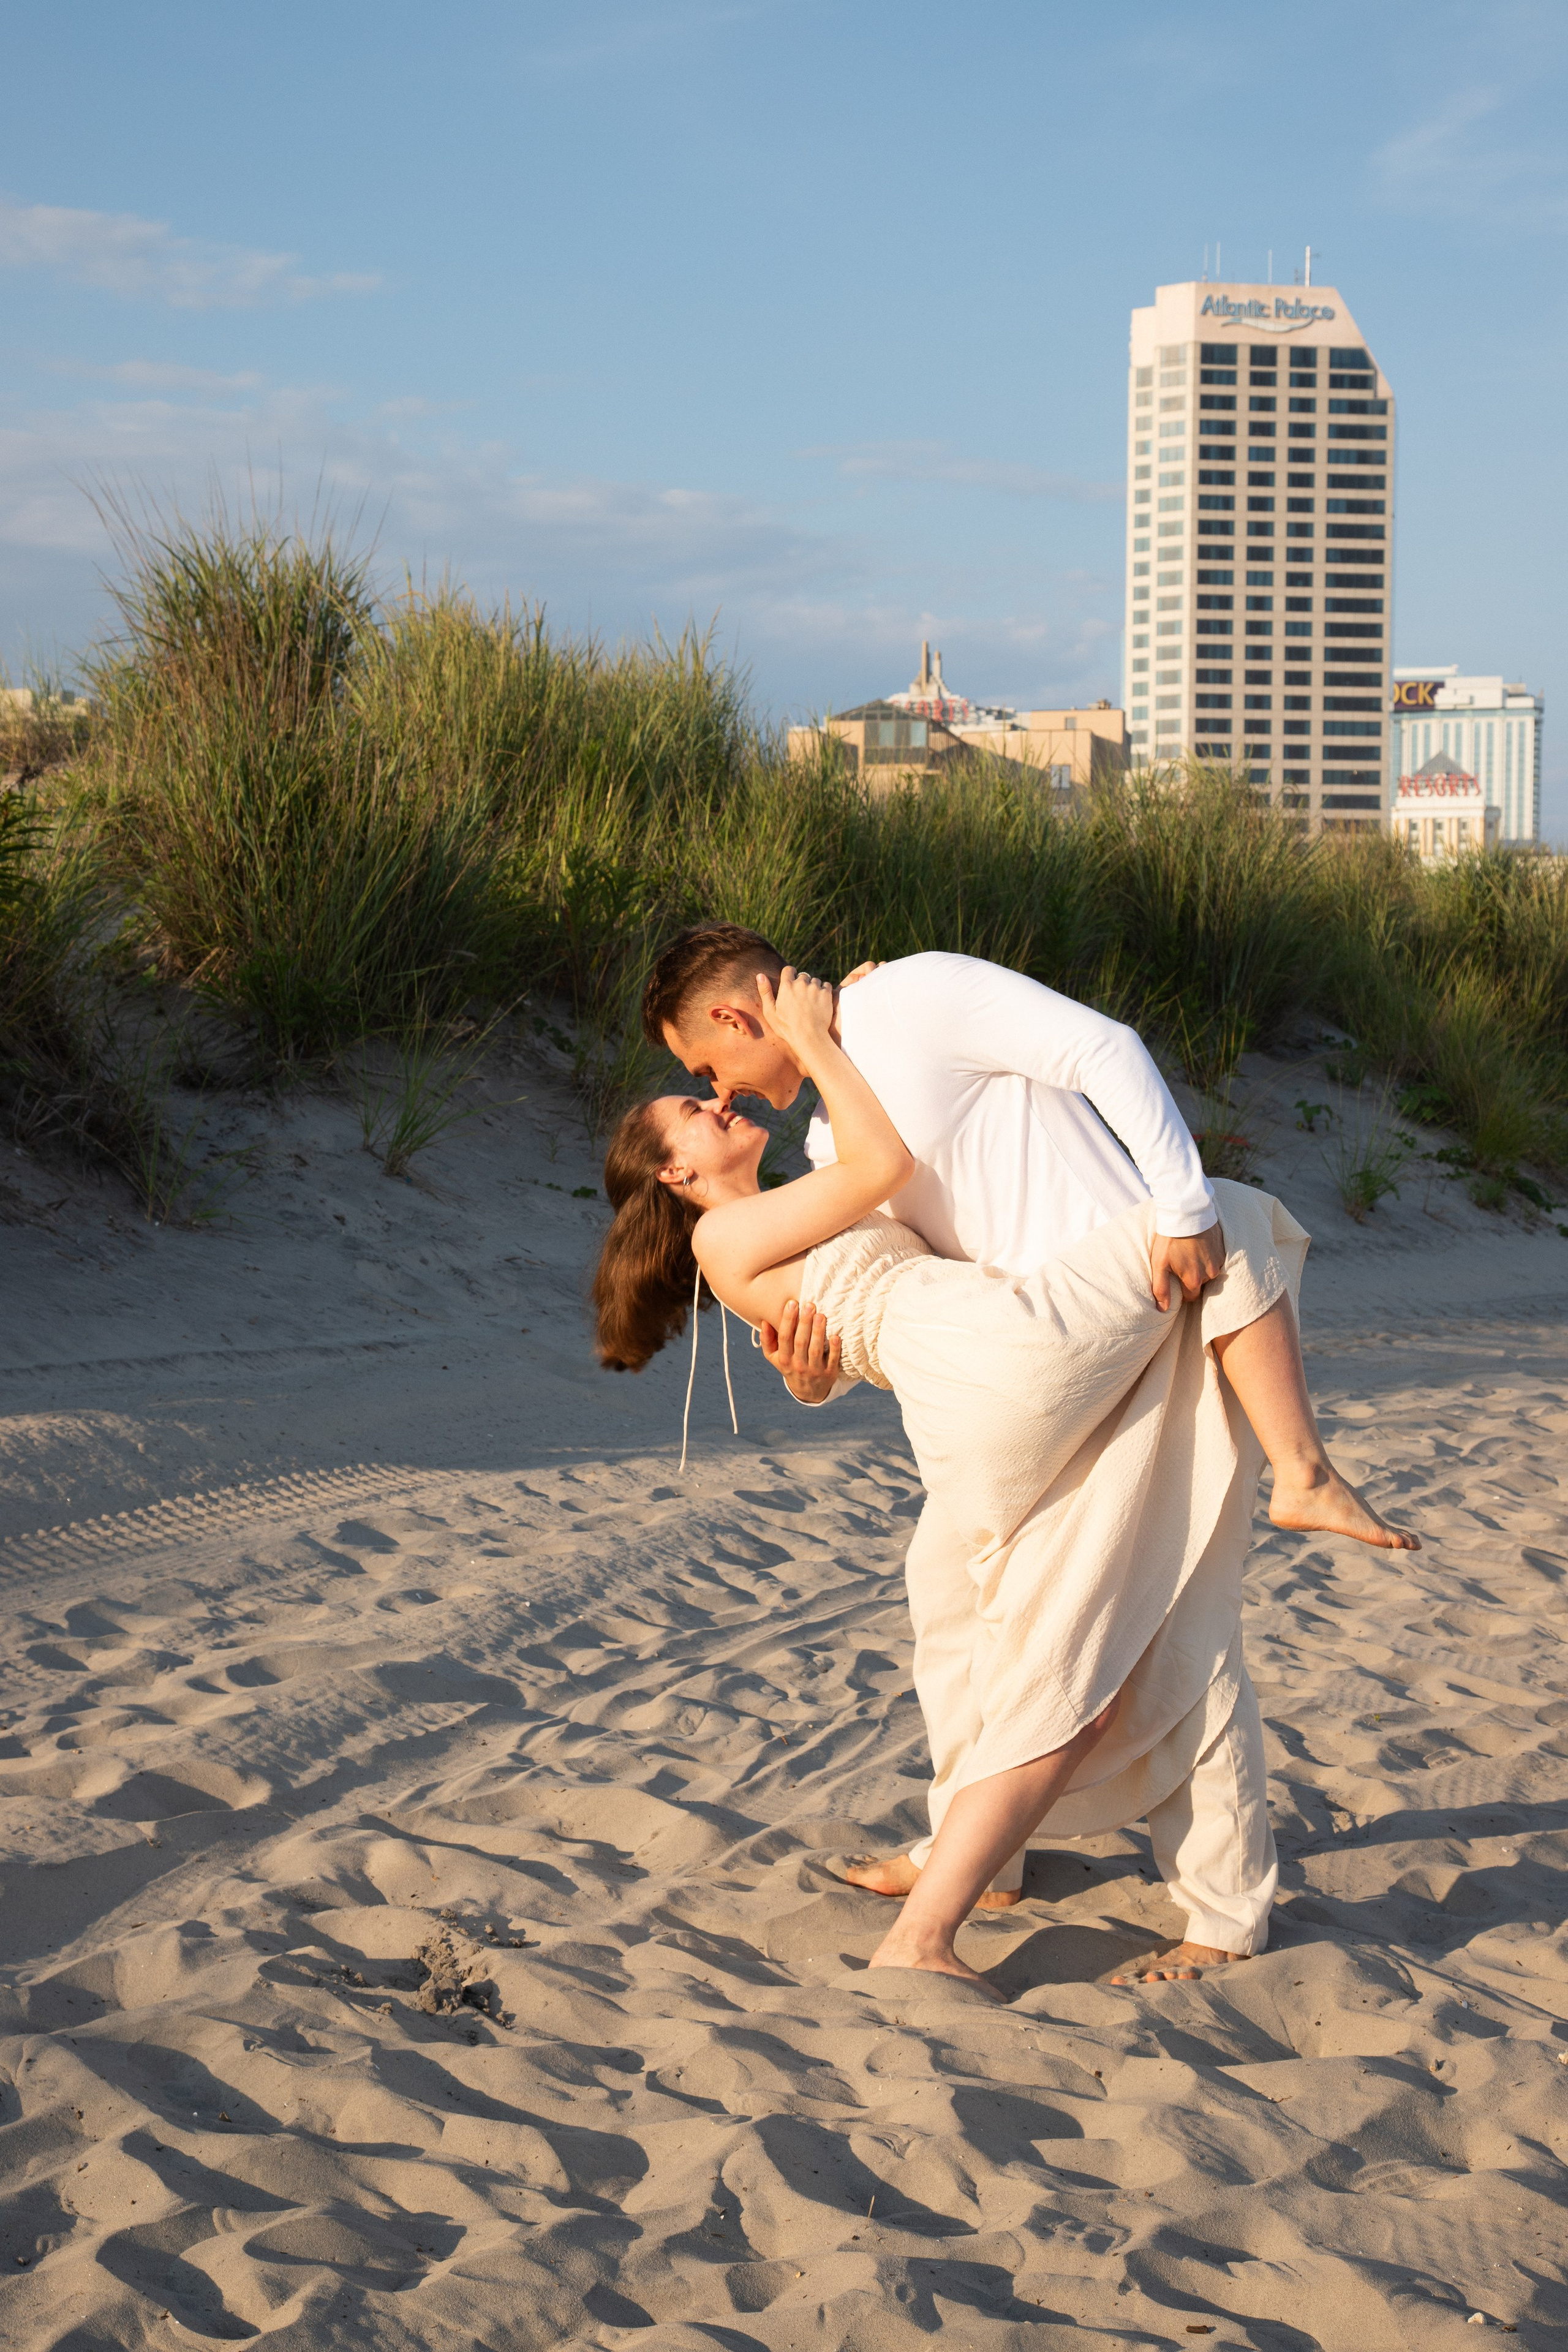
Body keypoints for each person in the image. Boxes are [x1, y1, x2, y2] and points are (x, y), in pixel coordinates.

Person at [595, 963, 1416, 1999]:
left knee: (958, 1603)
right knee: (1230, 1216)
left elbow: (850, 1310)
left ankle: (976, 1861)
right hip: (998, 1368)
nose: (718, 1096)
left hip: (974, 1397)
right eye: (695, 1098)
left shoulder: (802, 1185)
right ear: (673, 1176)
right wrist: (820, 1047)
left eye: (707, 1072)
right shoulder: (742, 1219)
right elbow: (884, 1177)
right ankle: (1301, 1469)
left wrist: (807, 1372)